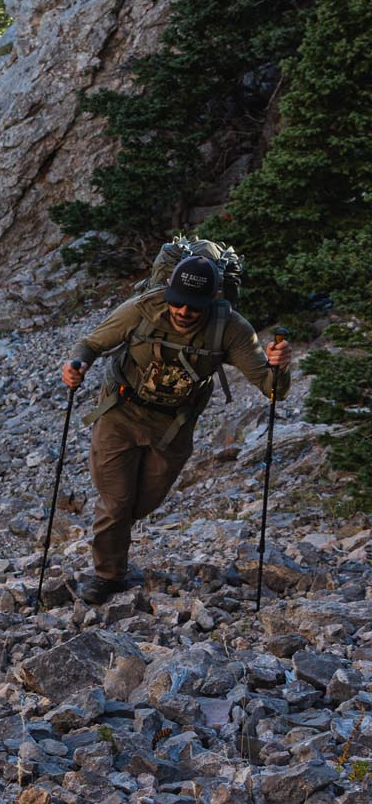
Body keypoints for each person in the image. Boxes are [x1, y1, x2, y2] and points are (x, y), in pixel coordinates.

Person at [61, 254, 292, 603]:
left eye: (194, 307)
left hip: (173, 426)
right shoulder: (141, 309)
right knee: (116, 503)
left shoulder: (230, 328)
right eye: (178, 303)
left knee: (141, 504)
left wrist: (279, 367)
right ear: (168, 291)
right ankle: (107, 576)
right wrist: (76, 365)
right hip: (120, 414)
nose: (184, 312)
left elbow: (271, 388)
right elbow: (91, 344)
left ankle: (115, 542)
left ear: (213, 299)